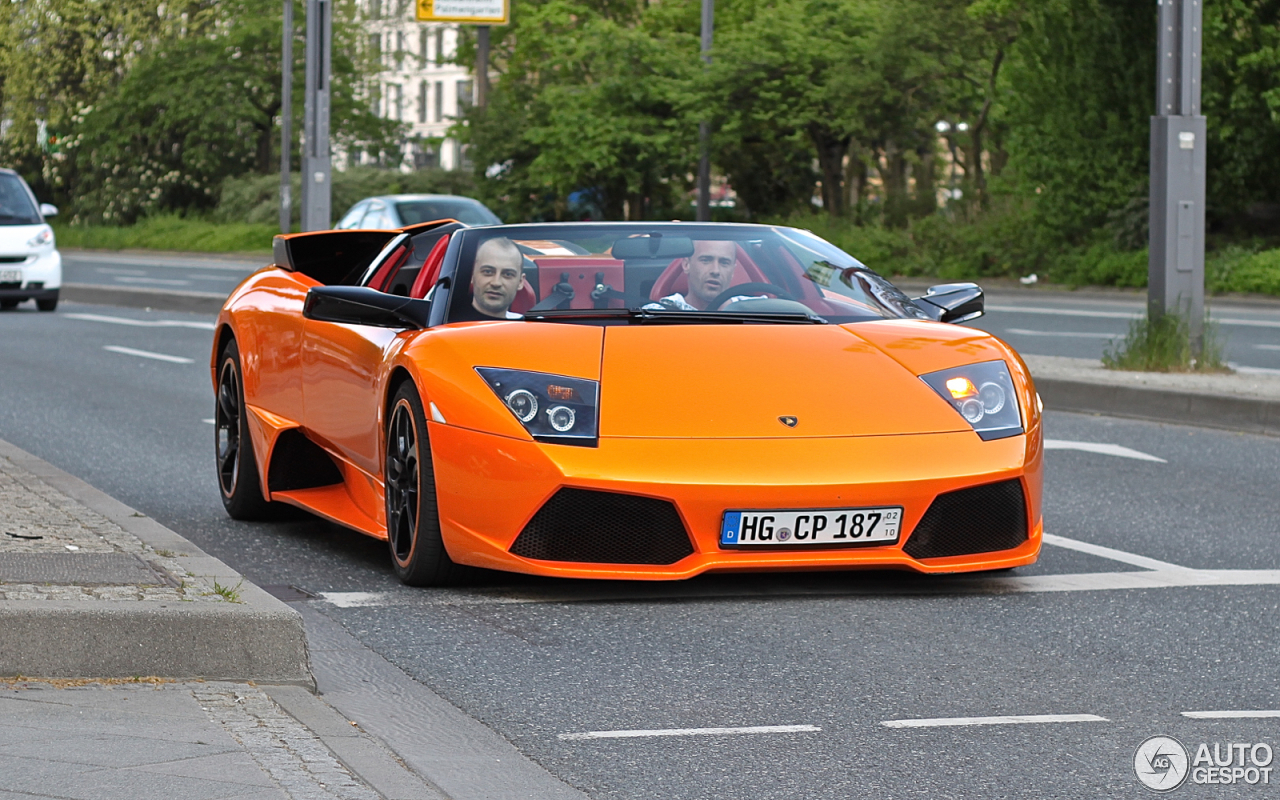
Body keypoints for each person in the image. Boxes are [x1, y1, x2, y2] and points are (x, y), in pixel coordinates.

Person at [643, 240, 756, 311]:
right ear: (687, 264)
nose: (715, 271)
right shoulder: (656, 314)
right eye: (706, 260)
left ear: (733, 271)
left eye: (724, 262)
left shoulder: (759, 309)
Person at [456, 236, 524, 321]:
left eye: (508, 274)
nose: (496, 283)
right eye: (488, 272)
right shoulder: (446, 326)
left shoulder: (533, 328)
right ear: (472, 275)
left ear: (520, 282)